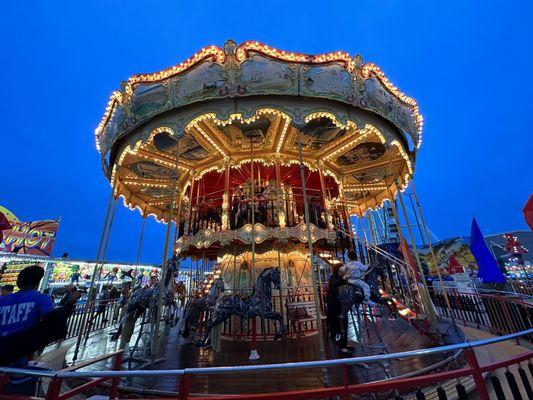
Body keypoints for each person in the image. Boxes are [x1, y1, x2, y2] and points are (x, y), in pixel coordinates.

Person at [326, 263, 353, 356]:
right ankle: (341, 346)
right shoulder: (333, 278)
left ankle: (344, 344)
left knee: (344, 325)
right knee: (338, 327)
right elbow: (336, 283)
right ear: (338, 270)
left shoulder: (341, 279)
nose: (344, 272)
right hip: (335, 307)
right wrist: (344, 278)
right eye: (342, 270)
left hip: (341, 307)